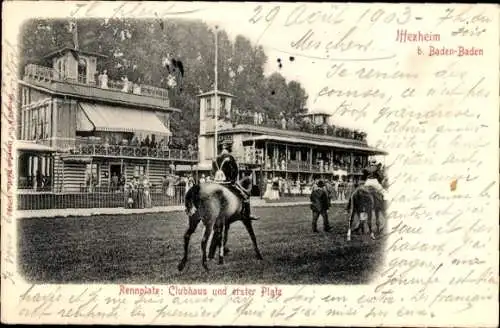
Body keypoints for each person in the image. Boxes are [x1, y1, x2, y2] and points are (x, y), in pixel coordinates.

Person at [212, 144, 259, 220]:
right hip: (227, 183)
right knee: (245, 197)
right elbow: (235, 170)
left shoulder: (216, 158)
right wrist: (233, 179)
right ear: (229, 150)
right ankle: (248, 214)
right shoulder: (230, 157)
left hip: (216, 183)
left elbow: (213, 171)